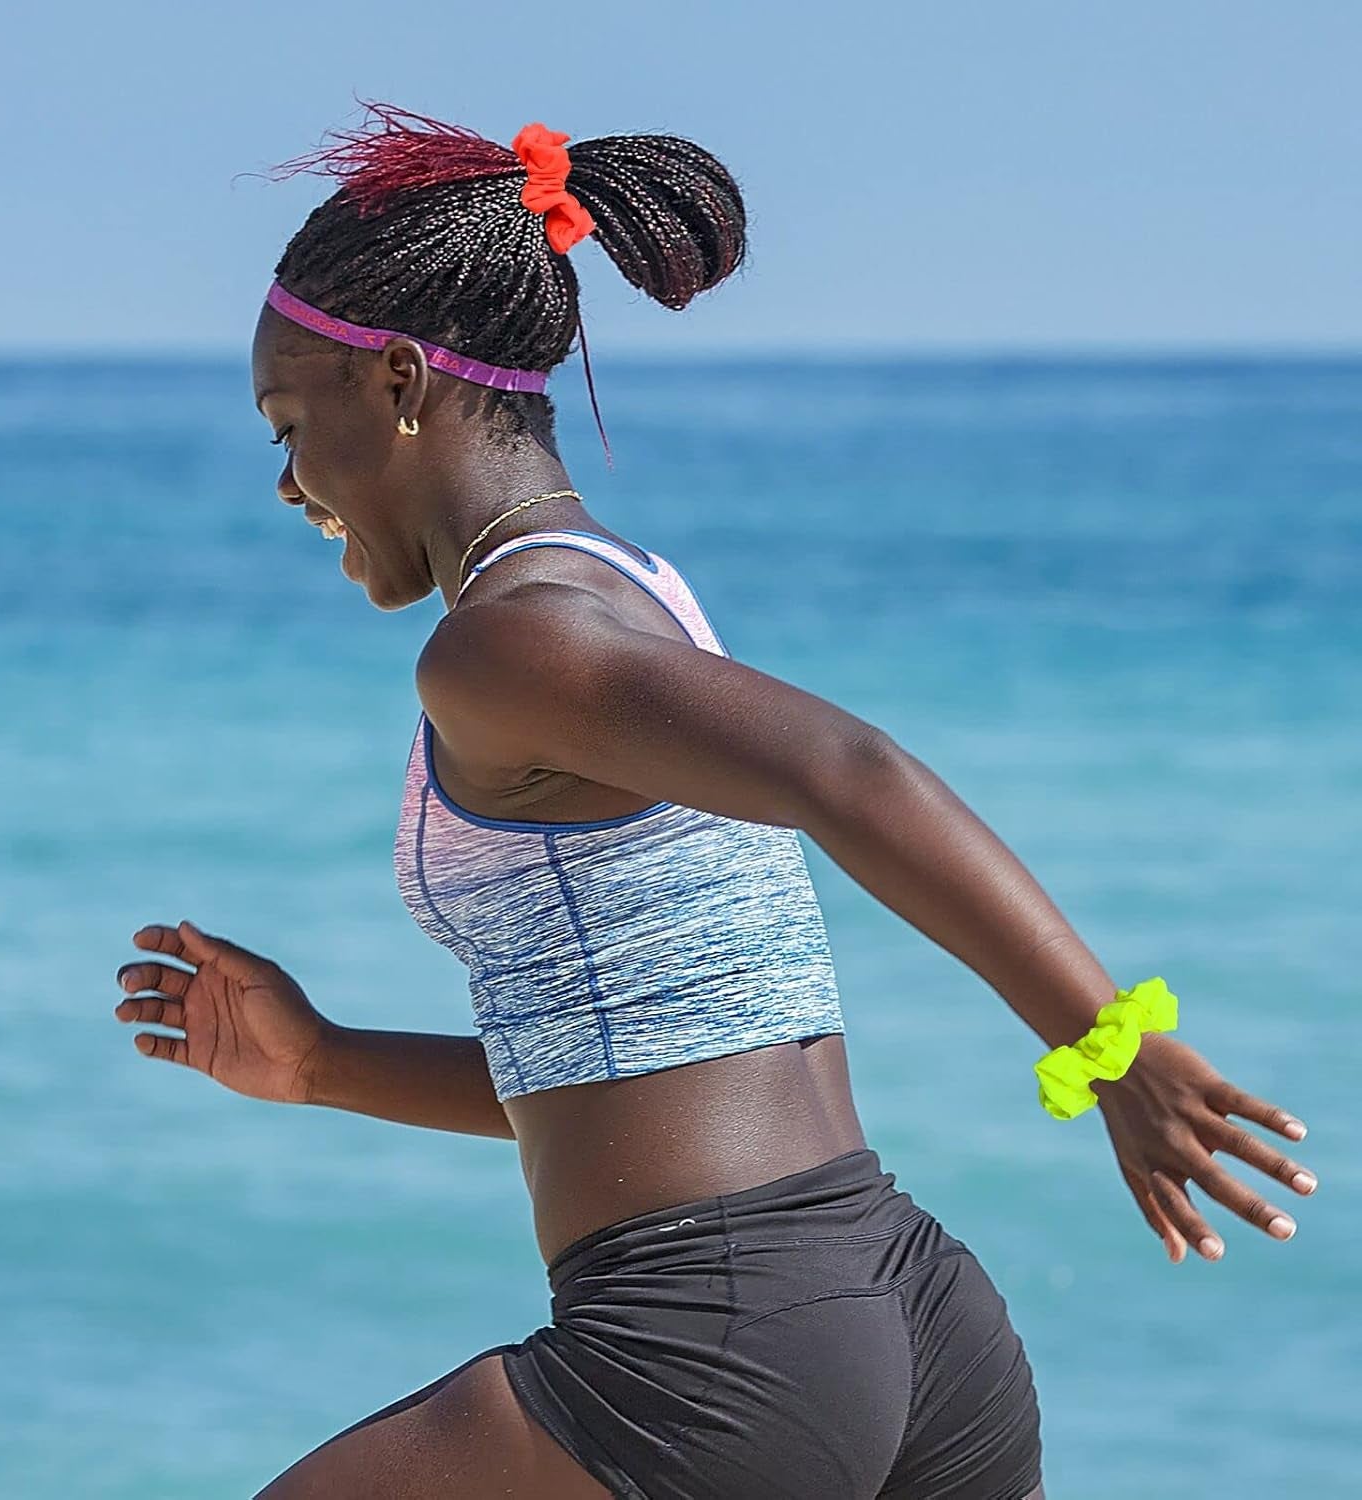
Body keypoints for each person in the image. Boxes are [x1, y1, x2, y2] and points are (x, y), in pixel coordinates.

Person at [112, 102, 1318, 1500]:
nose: (286, 485)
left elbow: (850, 775)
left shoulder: (505, 643)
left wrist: (1113, 1051)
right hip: (900, 1314)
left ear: (392, 382)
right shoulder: (633, 595)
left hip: (715, 1346)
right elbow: (645, 1071)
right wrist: (319, 1063)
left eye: (287, 426)